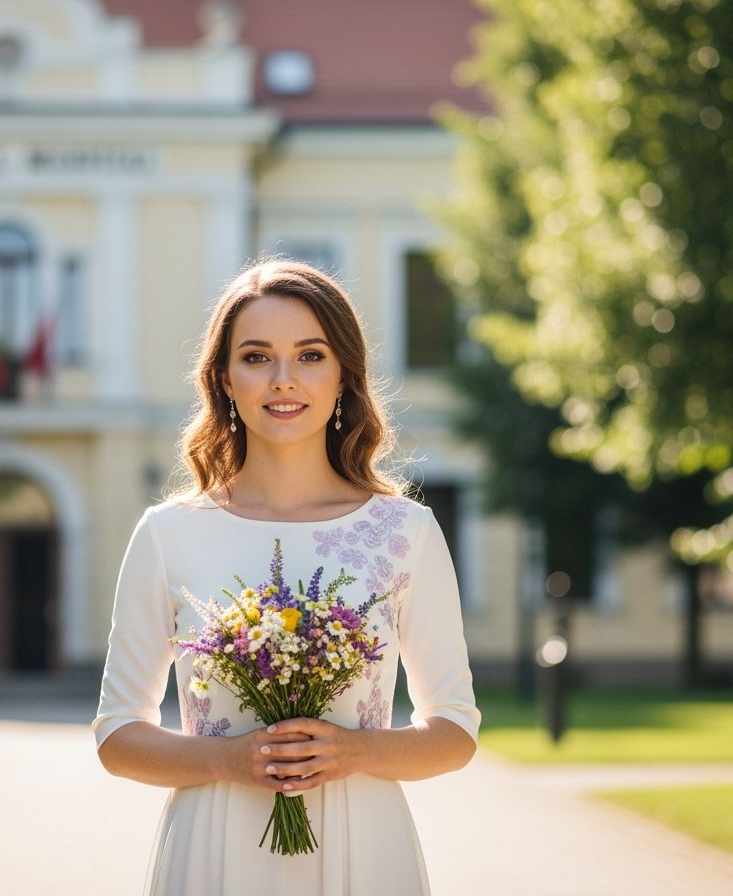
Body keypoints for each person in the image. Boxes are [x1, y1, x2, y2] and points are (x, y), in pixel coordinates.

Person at [93, 259, 480, 895]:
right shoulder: (168, 534)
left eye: (309, 355)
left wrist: (354, 752)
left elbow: (456, 730)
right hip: (213, 850)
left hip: (365, 849)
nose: (283, 380)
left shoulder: (405, 532)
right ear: (224, 379)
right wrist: (226, 760)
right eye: (255, 357)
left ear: (342, 376)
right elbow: (117, 735)